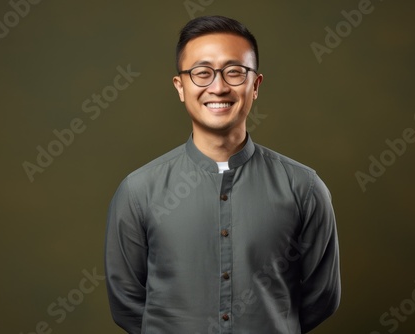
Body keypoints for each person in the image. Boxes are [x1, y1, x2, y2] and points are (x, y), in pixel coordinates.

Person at [105, 15, 340, 334]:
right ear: (181, 86)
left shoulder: (304, 187)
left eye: (234, 72)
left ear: (255, 85)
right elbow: (126, 301)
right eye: (202, 73)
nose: (218, 87)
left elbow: (322, 296)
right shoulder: (138, 190)